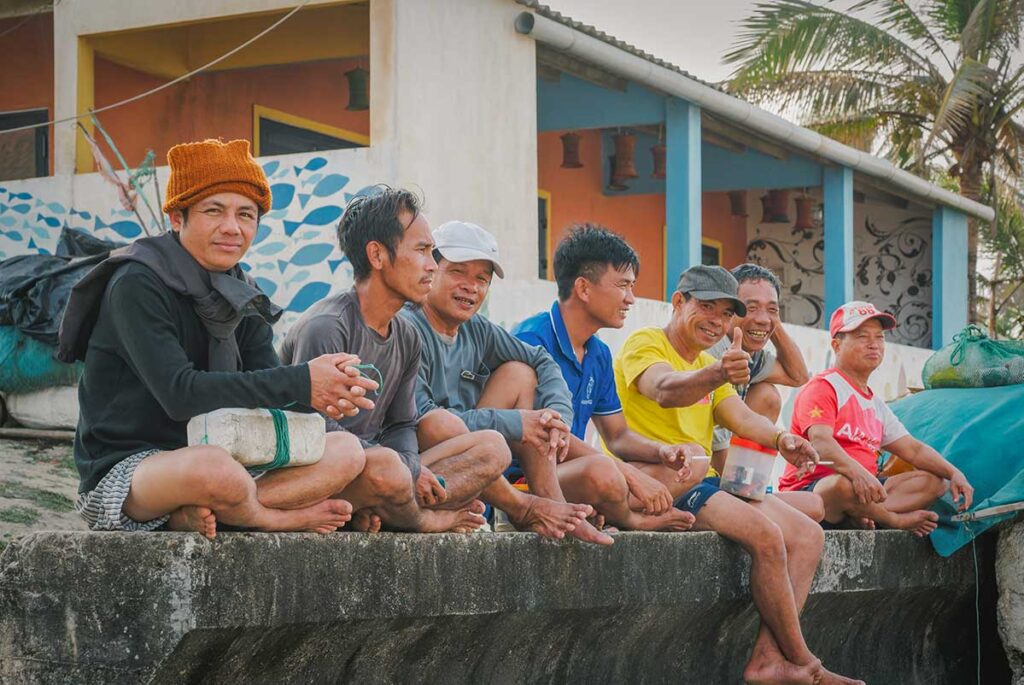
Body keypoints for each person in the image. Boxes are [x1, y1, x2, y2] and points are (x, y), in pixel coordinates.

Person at [59, 139, 366, 540]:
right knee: (215, 470)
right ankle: (263, 515)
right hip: (136, 466)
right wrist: (301, 380)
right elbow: (180, 394)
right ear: (176, 217)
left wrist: (328, 389)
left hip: (229, 452)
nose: (232, 228)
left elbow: (268, 382)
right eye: (213, 211)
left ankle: (207, 513)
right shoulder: (137, 283)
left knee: (348, 452)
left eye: (246, 214)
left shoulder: (241, 290)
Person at [614, 264, 861, 685]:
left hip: (701, 480)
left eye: (727, 313)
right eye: (706, 307)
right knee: (766, 536)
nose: (717, 320)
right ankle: (806, 663)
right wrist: (716, 372)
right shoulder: (647, 342)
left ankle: (769, 659)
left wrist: (783, 440)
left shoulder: (712, 365)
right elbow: (665, 388)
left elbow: (742, 417)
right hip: (659, 480)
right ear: (679, 302)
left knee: (808, 535)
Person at [280, 187, 504, 534]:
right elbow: (315, 431)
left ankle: (380, 511)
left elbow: (402, 425)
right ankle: (423, 520)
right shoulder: (326, 327)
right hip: (324, 471)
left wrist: (412, 468)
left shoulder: (406, 334)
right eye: (422, 251)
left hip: (385, 471)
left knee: (493, 448)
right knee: (386, 467)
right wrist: (407, 470)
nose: (432, 266)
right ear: (378, 255)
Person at [401, 220, 608, 544]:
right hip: (419, 465)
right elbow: (423, 420)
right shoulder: (408, 327)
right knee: (442, 423)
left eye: (481, 279)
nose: (471, 286)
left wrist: (556, 417)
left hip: (471, 452)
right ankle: (526, 508)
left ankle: (552, 503)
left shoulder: (478, 330)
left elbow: (541, 360)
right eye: (458, 272)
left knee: (519, 373)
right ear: (431, 270)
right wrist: (516, 422)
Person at [513, 224, 701, 531]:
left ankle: (602, 508)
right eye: (623, 286)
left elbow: (618, 436)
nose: (631, 299)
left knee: (691, 459)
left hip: (577, 471)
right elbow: (545, 435)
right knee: (603, 472)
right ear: (584, 288)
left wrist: (662, 452)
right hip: (528, 479)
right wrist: (630, 475)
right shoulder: (533, 339)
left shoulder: (598, 353)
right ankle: (625, 517)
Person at [778, 301, 974, 535]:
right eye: (862, 336)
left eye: (879, 337)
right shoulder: (823, 386)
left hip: (863, 490)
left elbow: (913, 450)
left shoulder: (875, 404)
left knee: (934, 482)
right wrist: (857, 472)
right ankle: (892, 520)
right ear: (836, 345)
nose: (874, 344)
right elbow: (821, 443)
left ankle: (860, 513)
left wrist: (954, 473)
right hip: (816, 491)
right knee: (840, 485)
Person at [705, 262, 821, 521]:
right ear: (730, 307)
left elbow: (797, 375)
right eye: (750, 307)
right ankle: (743, 492)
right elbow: (717, 447)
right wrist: (751, 497)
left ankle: (747, 489)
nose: (761, 317)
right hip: (703, 475)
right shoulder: (716, 352)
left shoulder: (752, 356)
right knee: (810, 509)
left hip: (731, 476)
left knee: (767, 394)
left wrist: (770, 321)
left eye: (772, 309)